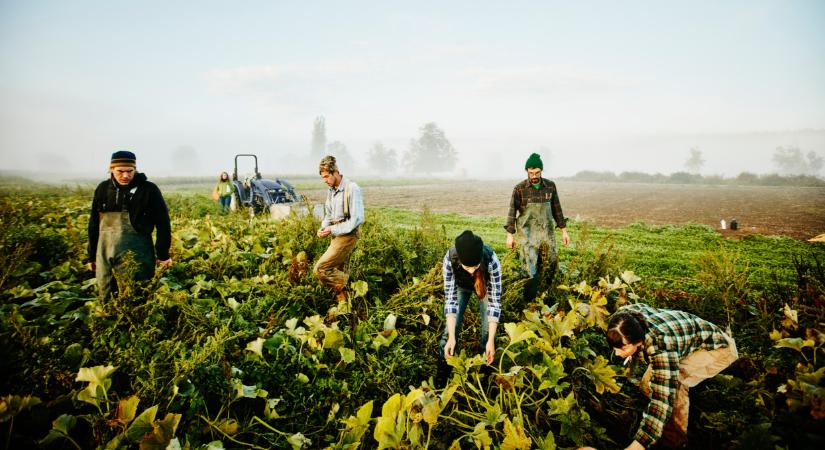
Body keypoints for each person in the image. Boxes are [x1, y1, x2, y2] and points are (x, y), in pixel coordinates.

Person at [607, 303, 738, 449]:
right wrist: (629, 350)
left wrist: (639, 444)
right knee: (648, 385)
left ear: (638, 341)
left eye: (623, 348)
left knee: (674, 387)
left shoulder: (661, 346)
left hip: (718, 349)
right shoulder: (623, 319)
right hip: (685, 341)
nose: (617, 353)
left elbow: (662, 399)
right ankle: (662, 425)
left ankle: (675, 440)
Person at [88, 150, 173, 301]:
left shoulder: (148, 190)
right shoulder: (102, 189)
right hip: (104, 253)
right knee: (107, 293)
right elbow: (94, 223)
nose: (125, 175)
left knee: (138, 295)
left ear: (135, 169)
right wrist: (92, 255)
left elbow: (163, 222)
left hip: (138, 254)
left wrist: (163, 254)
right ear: (111, 169)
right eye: (120, 171)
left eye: (130, 171)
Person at [504, 152, 570, 302]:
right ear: (526, 171)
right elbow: (512, 212)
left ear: (542, 171)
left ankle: (546, 296)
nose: (534, 175)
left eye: (537, 172)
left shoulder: (550, 186)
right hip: (527, 235)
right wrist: (510, 235)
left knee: (550, 264)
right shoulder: (519, 189)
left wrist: (564, 231)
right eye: (531, 172)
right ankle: (529, 301)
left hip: (547, 233)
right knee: (529, 267)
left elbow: (557, 209)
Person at [440, 230, 502, 365]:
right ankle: (445, 367)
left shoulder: (491, 260)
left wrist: (491, 340)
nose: (472, 271)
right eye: (467, 267)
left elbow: (494, 303)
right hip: (461, 286)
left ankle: (484, 367)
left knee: (488, 334)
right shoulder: (450, 259)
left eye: (475, 266)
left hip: (483, 285)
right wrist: (451, 337)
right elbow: (450, 300)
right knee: (448, 333)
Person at [313, 155, 364, 303]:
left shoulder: (352, 188)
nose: (325, 181)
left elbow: (356, 219)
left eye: (327, 176)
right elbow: (328, 215)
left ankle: (353, 287)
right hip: (336, 235)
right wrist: (323, 228)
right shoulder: (331, 190)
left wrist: (332, 229)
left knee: (321, 269)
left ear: (336, 172)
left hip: (348, 235)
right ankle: (346, 308)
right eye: (323, 178)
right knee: (338, 271)